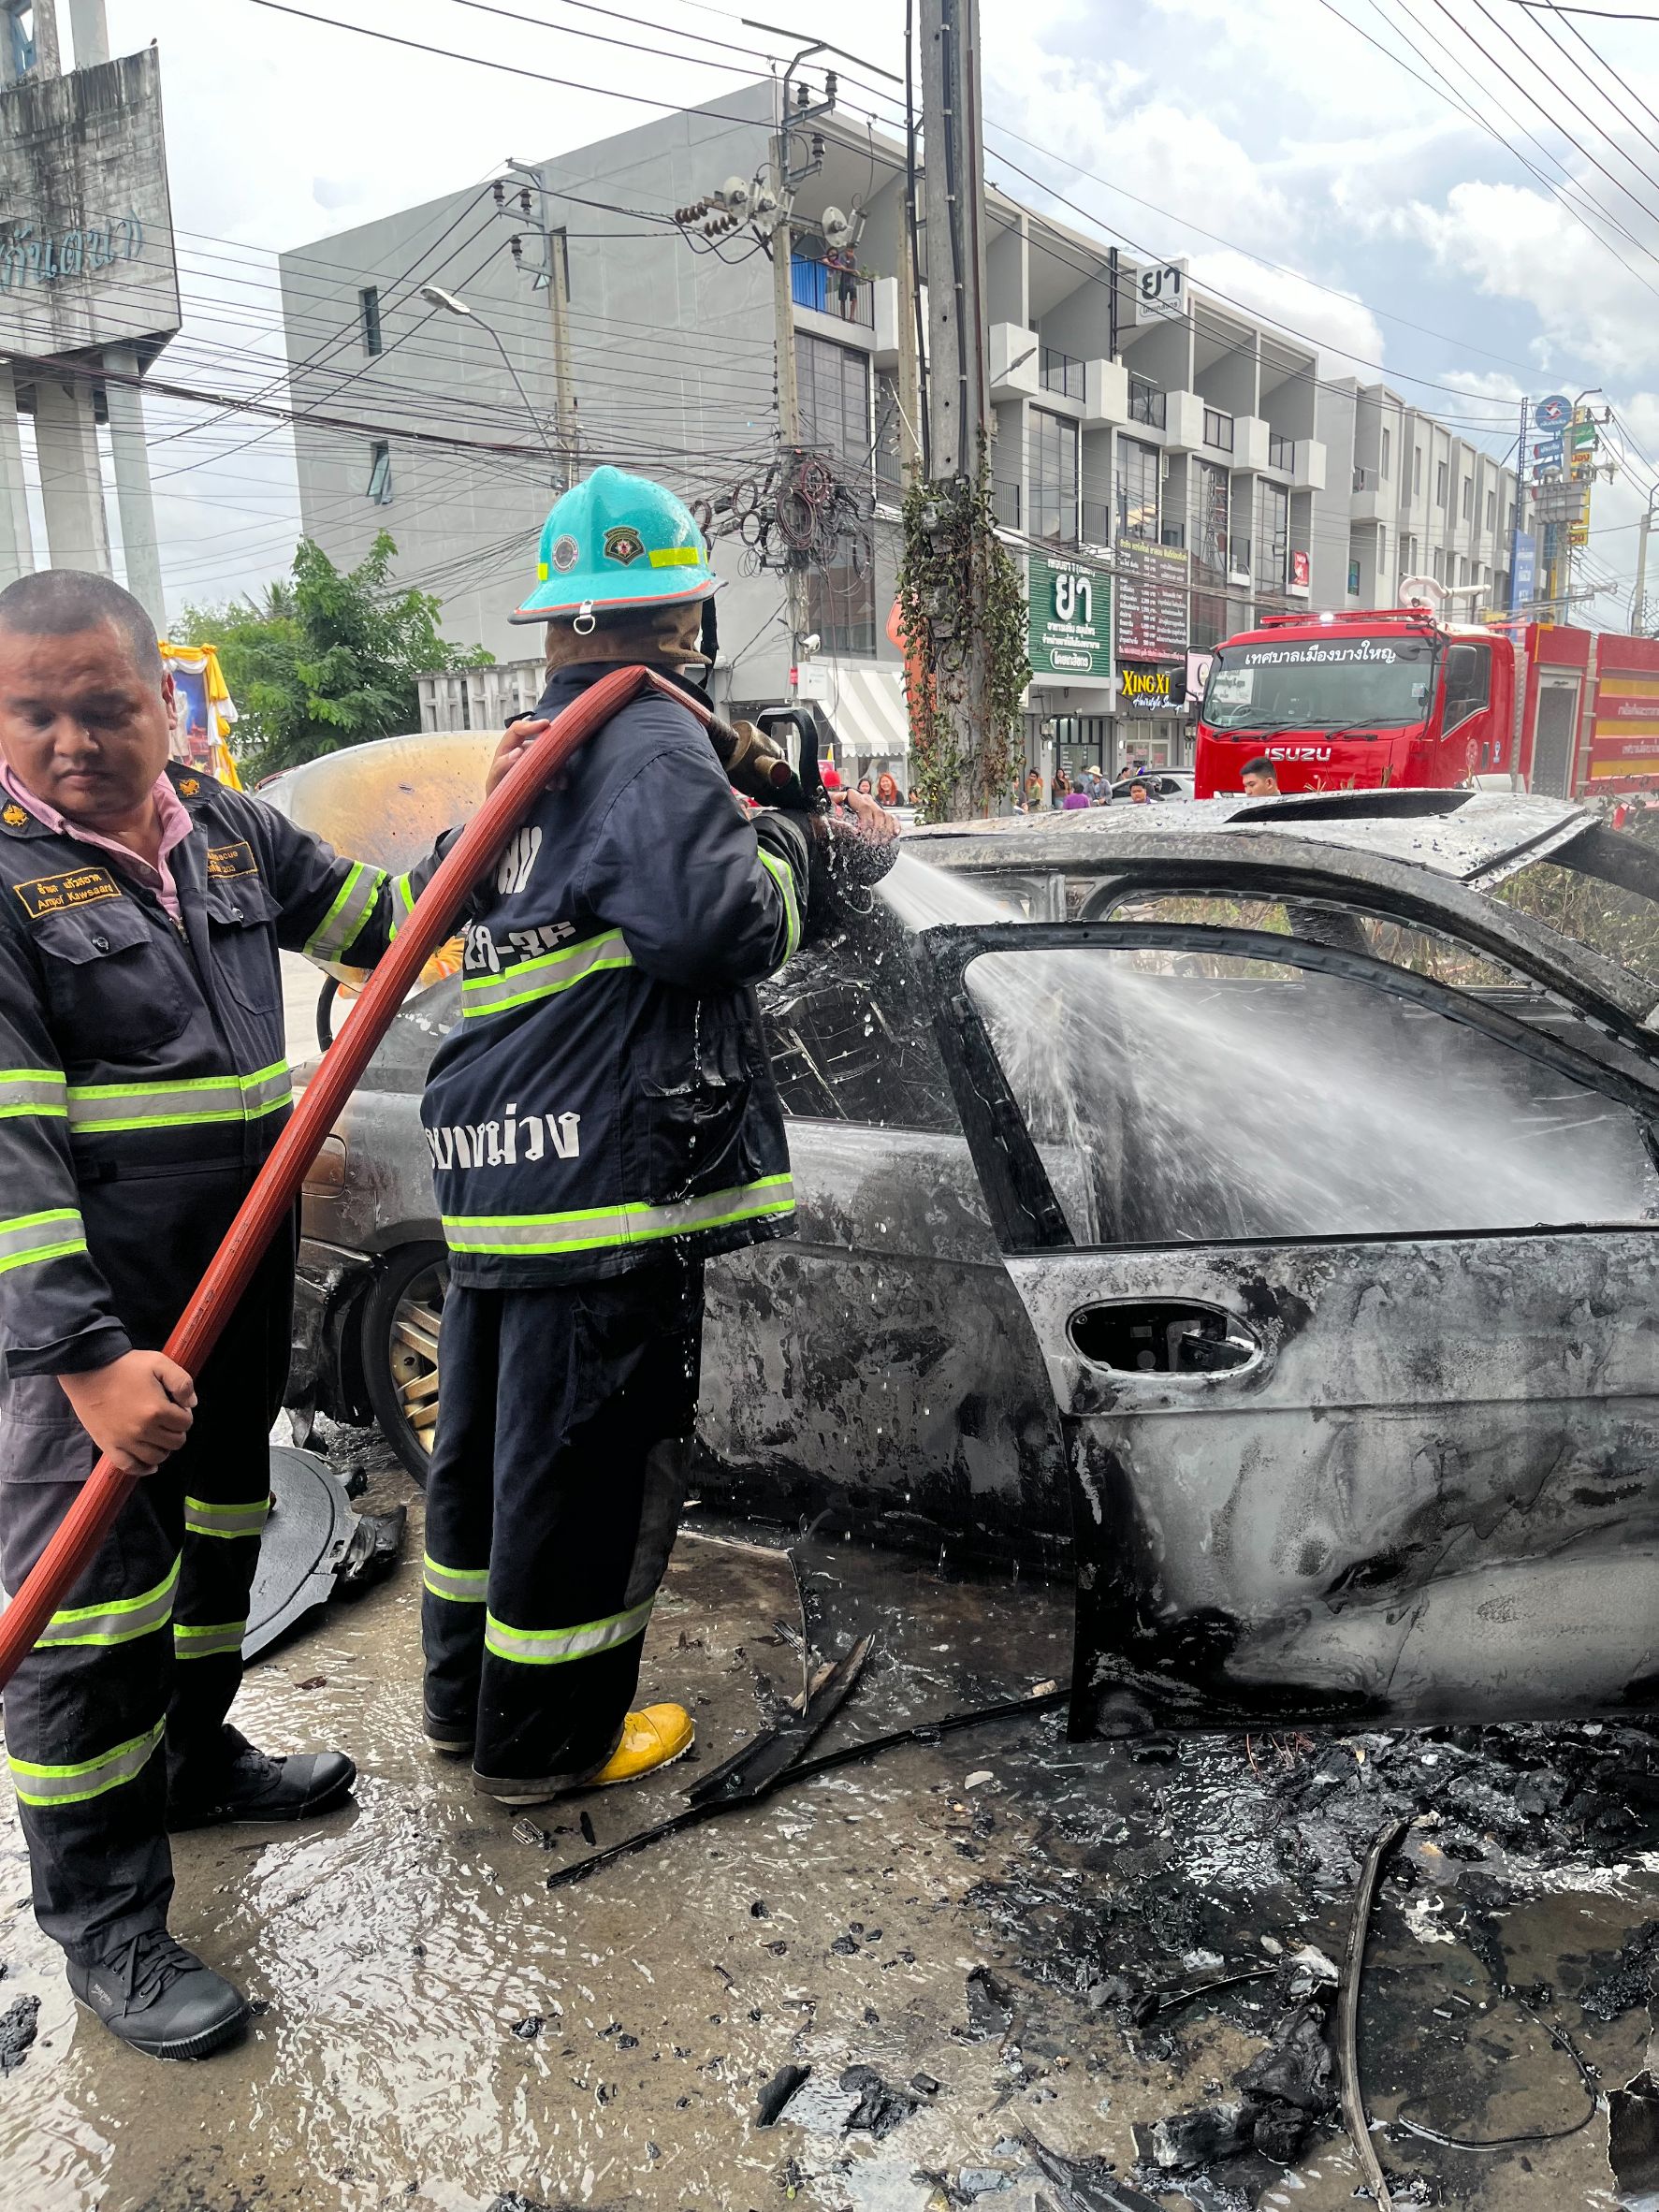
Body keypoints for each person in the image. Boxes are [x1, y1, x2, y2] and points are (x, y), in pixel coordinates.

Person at [0, 569, 445, 2061]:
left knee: (220, 1532)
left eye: (103, 708)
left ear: (163, 705)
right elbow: (5, 1151)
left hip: (237, 1270)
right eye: (33, 714)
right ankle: (108, 1930)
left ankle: (192, 1759)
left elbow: (388, 921)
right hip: (90, 1314)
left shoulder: (229, 831)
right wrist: (83, 1359)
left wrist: (505, 828)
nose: (72, 742)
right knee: (88, 1614)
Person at [418, 466, 896, 1812]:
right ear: (689, 611)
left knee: (492, 1468)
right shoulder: (650, 741)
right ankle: (549, 1746)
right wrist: (807, 850)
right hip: (606, 1184)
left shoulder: (534, 754)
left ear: (554, 624)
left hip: (509, 1174)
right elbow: (711, 932)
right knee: (588, 1481)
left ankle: (466, 1709)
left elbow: (472, 906)